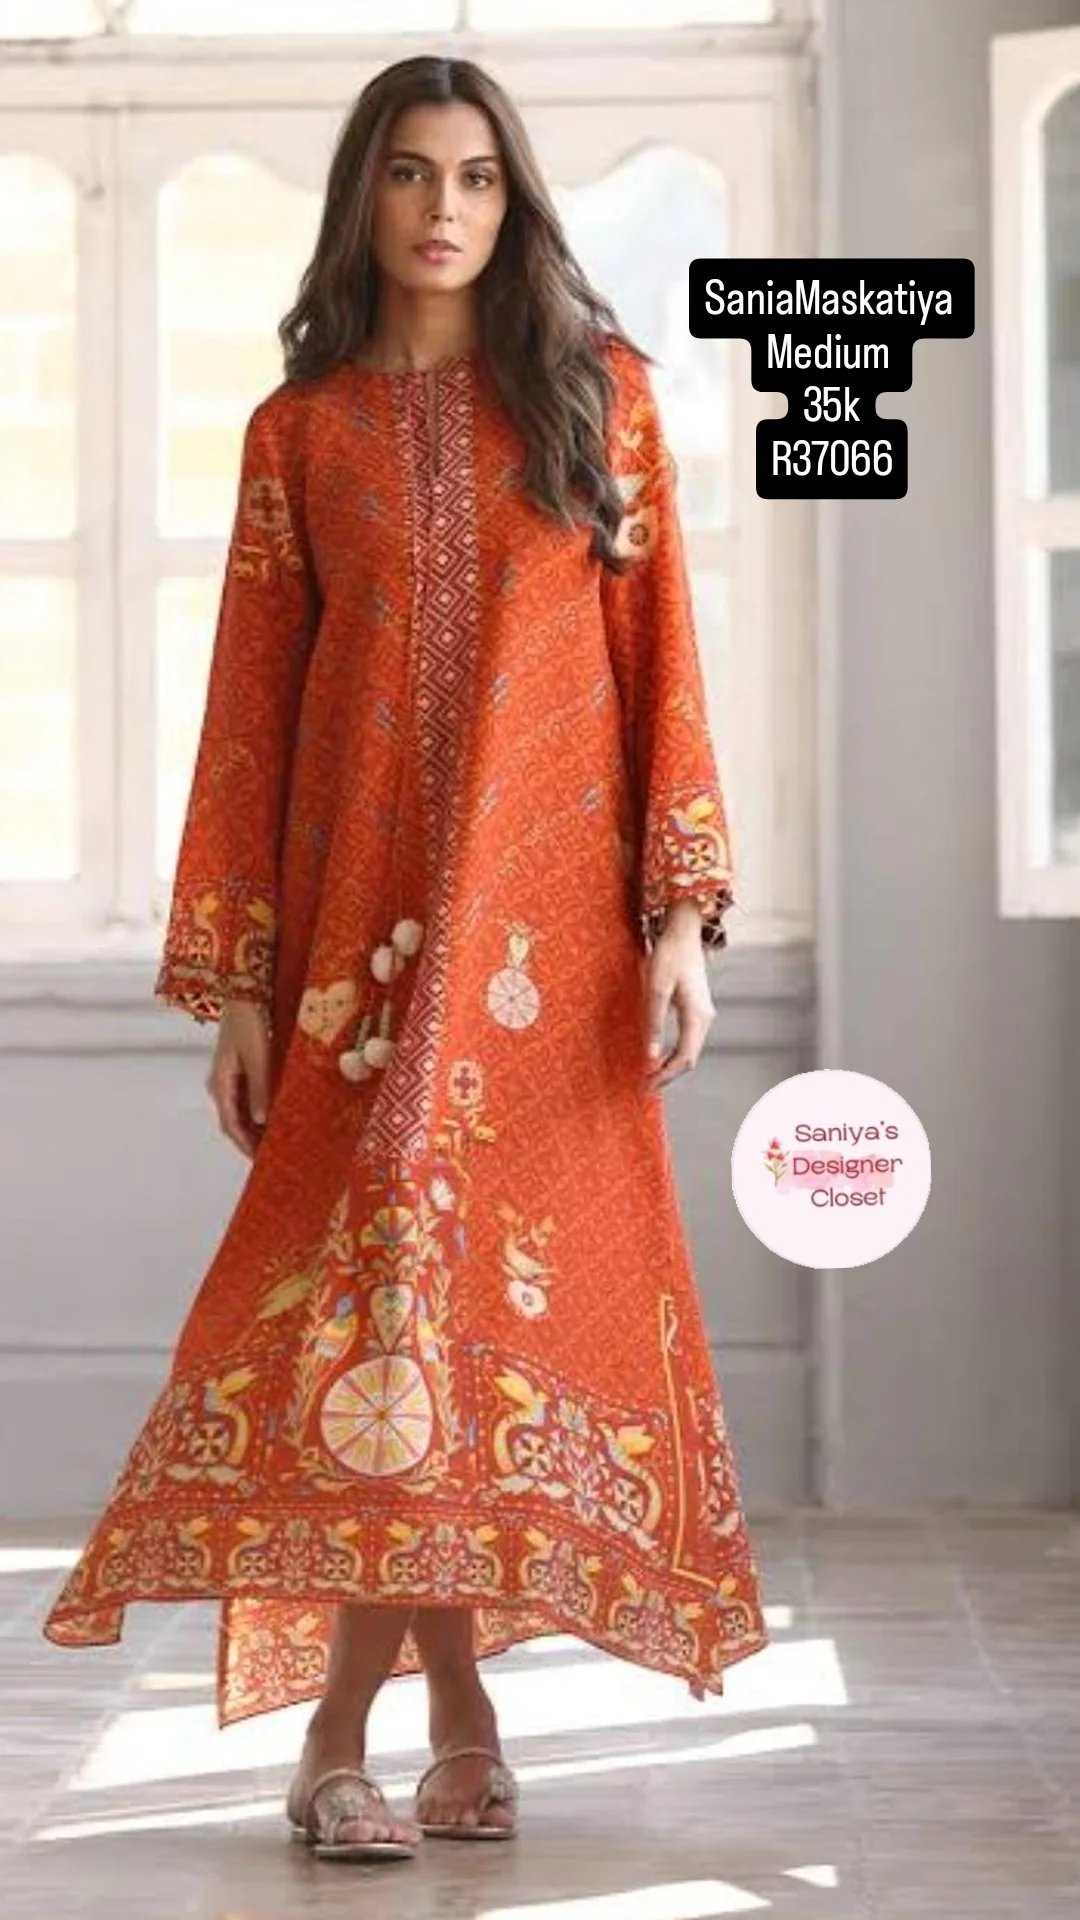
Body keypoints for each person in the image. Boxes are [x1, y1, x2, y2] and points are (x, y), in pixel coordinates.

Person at [42, 52, 770, 1863]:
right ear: (360, 196)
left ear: (515, 202)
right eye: (410, 174)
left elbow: (662, 667)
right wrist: (238, 986)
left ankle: (368, 1733)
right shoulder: (301, 435)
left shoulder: (598, 402)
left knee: (440, 1316)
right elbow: (247, 720)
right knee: (396, 1310)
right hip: (355, 957)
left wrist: (679, 923)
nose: (445, 209)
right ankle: (428, 1720)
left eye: (477, 177)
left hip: (546, 954)